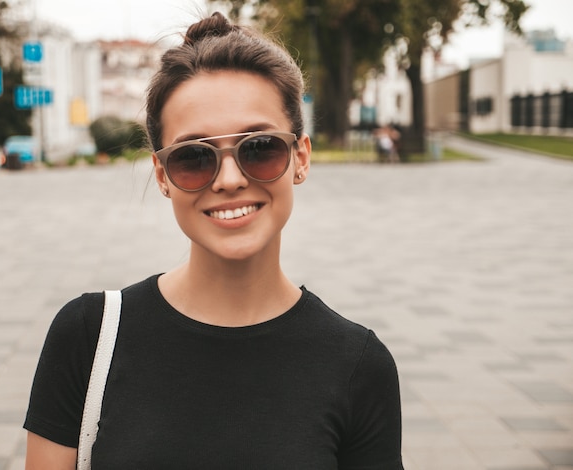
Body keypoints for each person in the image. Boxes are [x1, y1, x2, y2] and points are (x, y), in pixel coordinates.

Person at [24, 12, 403, 469]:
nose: (228, 179)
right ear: (162, 174)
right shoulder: (88, 336)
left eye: (260, 147)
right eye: (193, 157)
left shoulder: (358, 365)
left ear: (301, 157)